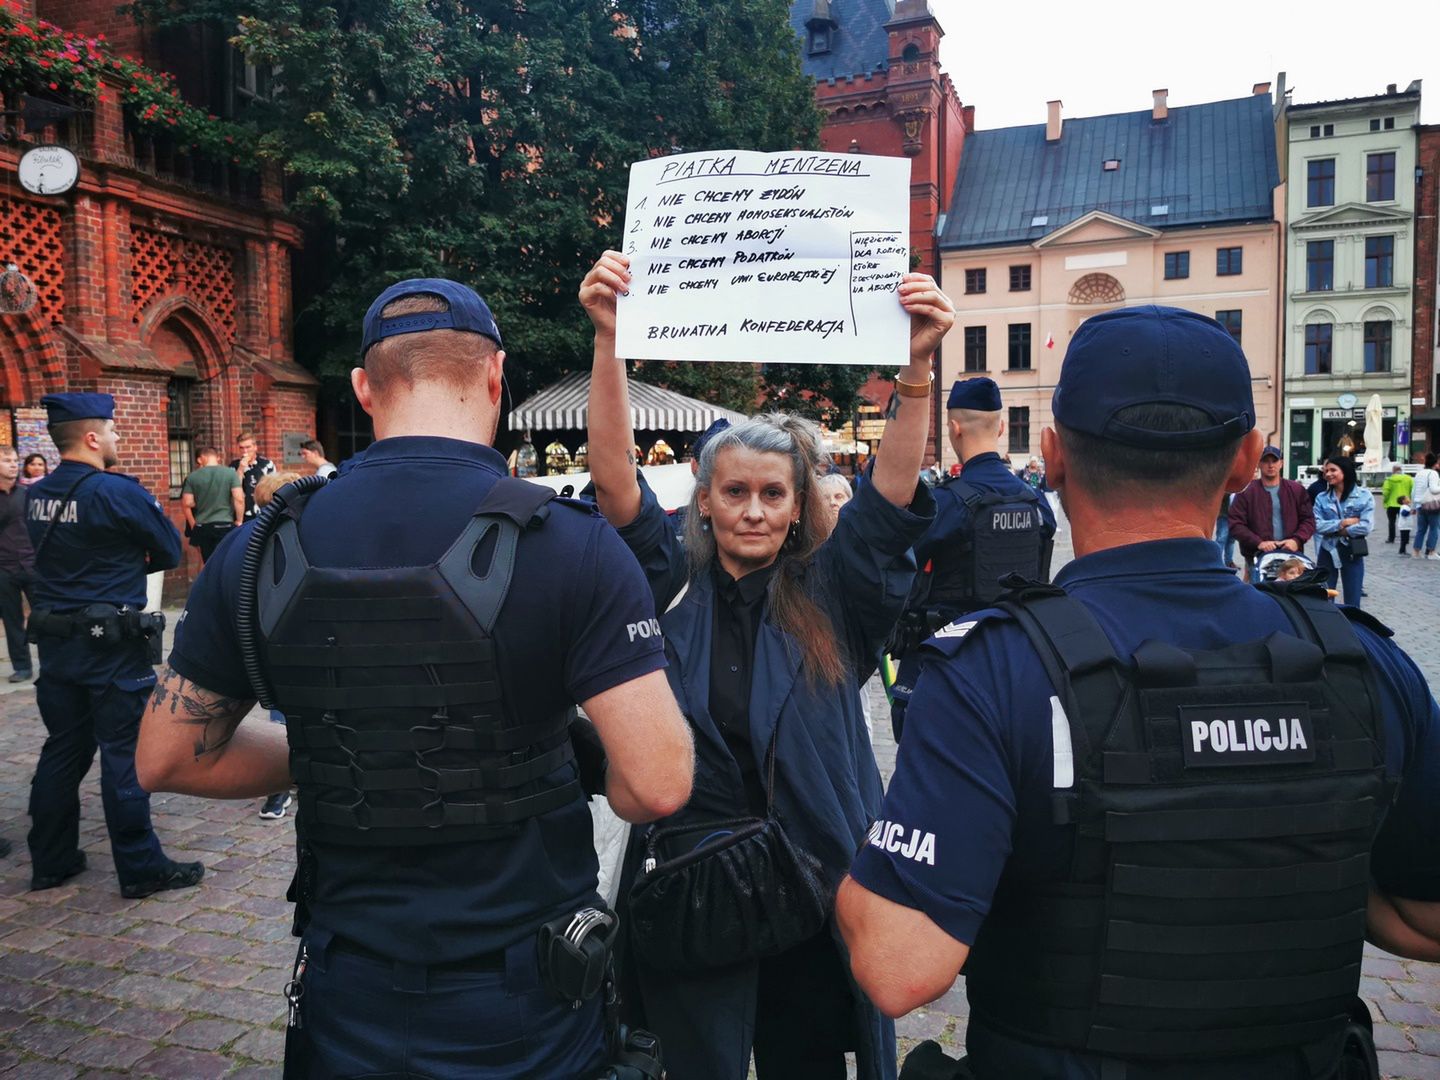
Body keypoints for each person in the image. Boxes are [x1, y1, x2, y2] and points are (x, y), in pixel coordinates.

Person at [836, 305, 1440, 1080]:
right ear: (1245, 459)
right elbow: (1425, 916)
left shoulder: (994, 669)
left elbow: (896, 965)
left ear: (1051, 457)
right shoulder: (1363, 662)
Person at [136, 278, 694, 1080]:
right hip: (526, 999)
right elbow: (658, 785)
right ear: (496, 376)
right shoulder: (575, 546)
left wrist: (348, 749)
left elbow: (167, 757)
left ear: (365, 388)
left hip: (348, 989)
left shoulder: (261, 547)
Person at [579, 249, 952, 1080]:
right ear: (703, 500)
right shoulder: (668, 588)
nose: (753, 509)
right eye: (735, 491)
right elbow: (613, 481)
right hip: (696, 886)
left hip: (814, 890)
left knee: (807, 1063)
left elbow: (890, 506)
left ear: (798, 505)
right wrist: (610, 341)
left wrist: (918, 366)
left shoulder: (831, 596)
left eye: (772, 494)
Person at [23, 393, 202, 898]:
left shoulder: (35, 493)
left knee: (62, 750)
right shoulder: (115, 492)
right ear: (92, 437)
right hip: (112, 646)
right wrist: (121, 570)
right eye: (115, 430)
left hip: (58, 644)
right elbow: (169, 549)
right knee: (124, 753)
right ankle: (141, 868)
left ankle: (51, 861)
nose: (119, 439)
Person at [888, 377, 1055, 741]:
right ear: (1002, 426)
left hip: (946, 664)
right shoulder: (1035, 502)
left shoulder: (945, 503)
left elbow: (900, 563)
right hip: (1020, 659)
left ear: (953, 428)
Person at [249, 470, 303, 822]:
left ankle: (280, 789)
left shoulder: (252, 541)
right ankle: (280, 789)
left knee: (282, 714)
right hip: (297, 640)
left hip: (274, 642)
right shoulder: (299, 538)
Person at [1227, 445, 1315, 579]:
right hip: (1257, 556)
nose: (1270, 465)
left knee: (1289, 598)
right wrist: (1258, 542)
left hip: (1291, 557)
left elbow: (1308, 520)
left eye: (1274, 461)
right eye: (1265, 461)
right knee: (1258, 597)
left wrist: (1296, 540)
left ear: (1281, 463)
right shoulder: (1246, 492)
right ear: (1259, 464)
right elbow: (1235, 524)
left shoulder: (1296, 490)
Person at [1314, 455, 1373, 607]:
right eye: (1326, 471)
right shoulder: (1321, 498)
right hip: (1327, 551)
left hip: (1353, 551)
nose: (1328, 474)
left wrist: (1334, 529)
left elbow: (1366, 526)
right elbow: (1317, 526)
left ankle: (1353, 629)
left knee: (1353, 600)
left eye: (1333, 470)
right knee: (1324, 597)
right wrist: (1343, 523)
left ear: (1345, 471)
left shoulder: (1364, 496)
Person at [0, 445, 36, 684]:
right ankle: (22, 667)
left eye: (15, 460)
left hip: (32, 564)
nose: (13, 464)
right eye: (6, 460)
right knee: (12, 620)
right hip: (4, 568)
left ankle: (55, 662)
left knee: (46, 616)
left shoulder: (28, 494)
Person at [181, 446, 244, 564]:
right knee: (226, 561)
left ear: (201, 459)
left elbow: (187, 503)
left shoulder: (192, 477)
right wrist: (239, 520)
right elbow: (239, 499)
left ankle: (208, 582)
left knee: (207, 563)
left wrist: (193, 524)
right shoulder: (230, 474)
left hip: (203, 525)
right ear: (217, 458)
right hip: (225, 524)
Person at [230, 430, 276, 520]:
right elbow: (234, 489)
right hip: (242, 514)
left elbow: (272, 489)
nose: (245, 451)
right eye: (241, 448)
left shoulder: (266, 464)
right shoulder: (233, 466)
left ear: (255, 447)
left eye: (248, 447)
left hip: (263, 512)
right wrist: (240, 470)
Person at [1409, 452, 1440, 560]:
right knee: (1434, 528)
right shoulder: (1433, 474)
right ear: (1434, 463)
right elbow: (1433, 489)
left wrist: (1413, 506)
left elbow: (1413, 491)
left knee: (1421, 530)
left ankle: (1416, 552)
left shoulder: (1419, 473)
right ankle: (1431, 552)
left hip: (1419, 505)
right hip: (1432, 505)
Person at [1381, 463, 1409, 544]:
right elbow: (1412, 490)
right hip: (1404, 504)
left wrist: (1385, 501)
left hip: (1391, 504)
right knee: (1405, 522)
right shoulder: (1408, 479)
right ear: (1401, 470)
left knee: (1391, 522)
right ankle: (1405, 539)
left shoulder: (1388, 480)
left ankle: (1391, 538)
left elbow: (1386, 493)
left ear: (1393, 471)